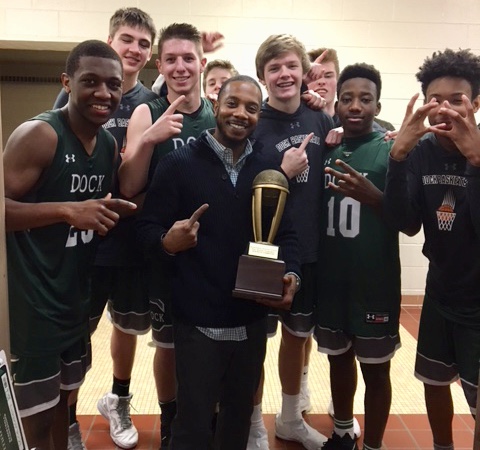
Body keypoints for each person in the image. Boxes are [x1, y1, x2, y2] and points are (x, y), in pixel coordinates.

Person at [136, 74, 300, 450]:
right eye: (232, 104)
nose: (241, 114)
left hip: (252, 319)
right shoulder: (178, 164)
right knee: (192, 425)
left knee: (237, 420)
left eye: (252, 108)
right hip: (198, 321)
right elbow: (145, 229)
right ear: (215, 105)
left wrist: (291, 274)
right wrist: (168, 242)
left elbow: (287, 234)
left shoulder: (269, 166)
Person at [4, 40, 136, 450]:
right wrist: (66, 211)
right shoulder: (40, 135)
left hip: (75, 301)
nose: (104, 93)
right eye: (90, 82)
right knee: (34, 425)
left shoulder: (109, 146)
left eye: (113, 85)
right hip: (34, 308)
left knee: (64, 413)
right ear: (67, 82)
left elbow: (90, 211)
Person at [53, 8, 158, 449]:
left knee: (127, 327)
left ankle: (117, 399)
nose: (134, 49)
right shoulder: (71, 99)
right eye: (126, 39)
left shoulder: (152, 102)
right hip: (84, 241)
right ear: (109, 41)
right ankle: (68, 419)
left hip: (132, 239)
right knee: (76, 333)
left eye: (142, 43)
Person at [118, 22, 216, 449]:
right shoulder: (146, 110)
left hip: (212, 252)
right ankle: (171, 419)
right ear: (160, 64)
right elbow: (126, 186)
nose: (180, 67)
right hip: (163, 249)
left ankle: (206, 417)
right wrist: (148, 140)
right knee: (169, 344)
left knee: (209, 341)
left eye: (188, 58)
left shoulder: (218, 111)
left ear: (202, 63)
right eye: (171, 59)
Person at [383, 48, 480, 450]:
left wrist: (477, 160)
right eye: (435, 99)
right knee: (435, 383)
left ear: (474, 104)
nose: (444, 109)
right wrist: (397, 157)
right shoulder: (420, 153)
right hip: (440, 293)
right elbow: (404, 223)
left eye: (456, 99)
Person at [246, 33, 334, 450]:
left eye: (290, 66)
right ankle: (252, 425)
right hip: (262, 247)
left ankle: (288, 417)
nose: (283, 74)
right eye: (274, 68)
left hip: (310, 248)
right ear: (264, 77)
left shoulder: (319, 118)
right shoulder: (253, 122)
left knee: (298, 337)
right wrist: (282, 170)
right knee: (254, 341)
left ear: (303, 73)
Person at [316, 63, 401, 450]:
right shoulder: (327, 145)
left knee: (376, 368)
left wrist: (375, 197)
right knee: (338, 358)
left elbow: (409, 218)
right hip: (332, 278)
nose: (355, 106)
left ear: (378, 105)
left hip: (374, 281)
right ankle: (343, 429)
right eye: (347, 98)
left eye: (364, 99)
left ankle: (374, 444)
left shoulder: (392, 150)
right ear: (337, 105)